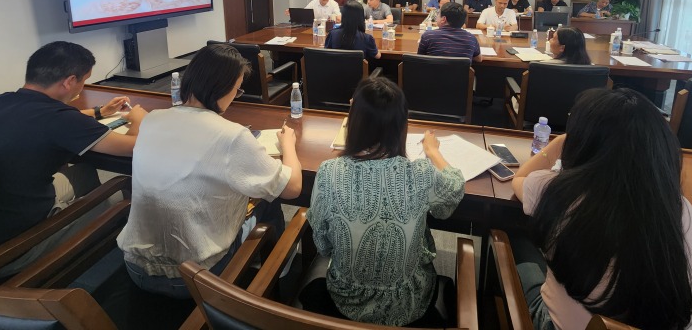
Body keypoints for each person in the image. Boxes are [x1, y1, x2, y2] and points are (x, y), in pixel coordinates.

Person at [117, 43, 302, 298]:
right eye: (237, 90)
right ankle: (278, 272)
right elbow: (292, 188)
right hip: (196, 277)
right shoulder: (232, 136)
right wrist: (288, 145)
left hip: (135, 268)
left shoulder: (152, 119)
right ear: (223, 87)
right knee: (269, 197)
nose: (235, 97)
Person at [511, 88, 692, 330]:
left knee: (516, 237)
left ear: (582, 142)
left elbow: (519, 178)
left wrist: (560, 141)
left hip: (556, 325)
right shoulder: (682, 209)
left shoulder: (558, 191)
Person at [305, 77, 465, 326]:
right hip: (408, 304)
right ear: (402, 125)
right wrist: (433, 152)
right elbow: (454, 190)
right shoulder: (420, 174)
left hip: (345, 299)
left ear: (353, 122)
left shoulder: (328, 172)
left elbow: (323, 244)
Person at [0, 41, 146, 268]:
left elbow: (57, 119)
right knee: (124, 190)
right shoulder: (61, 120)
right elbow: (133, 146)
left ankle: (84, 223)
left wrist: (100, 112)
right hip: (10, 251)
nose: (82, 87)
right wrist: (138, 119)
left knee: (84, 171)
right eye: (84, 81)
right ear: (70, 81)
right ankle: (95, 254)